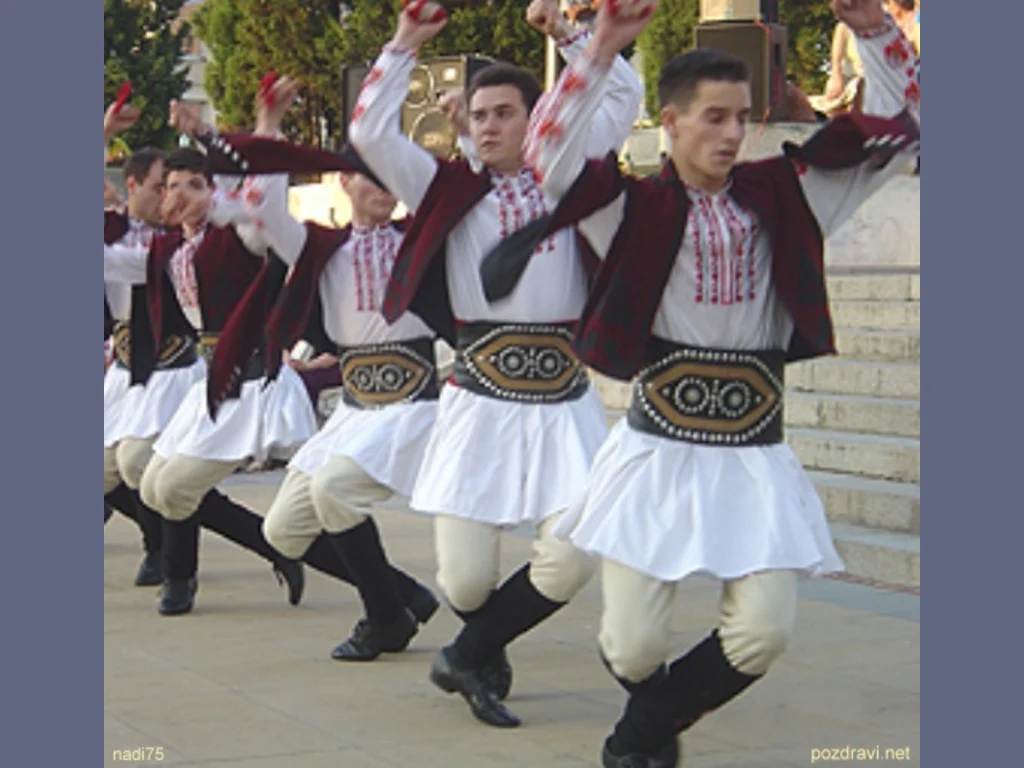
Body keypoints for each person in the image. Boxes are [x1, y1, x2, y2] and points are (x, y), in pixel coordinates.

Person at [523, 0, 920, 765]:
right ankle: (649, 721)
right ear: (671, 123)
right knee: (632, 646)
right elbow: (549, 156)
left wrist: (874, 29)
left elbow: (901, 128)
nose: (733, 133)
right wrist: (597, 48)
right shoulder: (627, 207)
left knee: (763, 631)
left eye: (741, 116)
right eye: (714, 117)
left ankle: (640, 736)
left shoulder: (789, 192)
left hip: (753, 454)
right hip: (657, 452)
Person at [347, 0, 642, 727]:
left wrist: (573, 36)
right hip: (477, 400)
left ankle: (470, 652)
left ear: (537, 118)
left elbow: (622, 95)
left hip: (563, 402)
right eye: (478, 115)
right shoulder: (443, 186)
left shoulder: (573, 178)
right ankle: (482, 645)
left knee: (572, 556)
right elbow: (369, 133)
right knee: (463, 580)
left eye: (505, 113)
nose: (487, 126)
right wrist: (404, 42)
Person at [192, 75, 442, 661]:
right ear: (344, 182)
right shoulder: (324, 249)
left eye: (391, 176)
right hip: (355, 409)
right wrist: (270, 129)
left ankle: (385, 618)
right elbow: (263, 211)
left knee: (335, 491)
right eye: (370, 175)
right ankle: (401, 597)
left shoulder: (428, 239)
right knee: (282, 530)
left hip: (415, 406)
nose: (384, 187)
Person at [102, 99, 178, 586]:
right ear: (131, 185)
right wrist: (103, 135)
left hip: (172, 369)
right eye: (158, 187)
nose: (166, 197)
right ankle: (165, 542)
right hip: (124, 363)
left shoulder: (177, 236)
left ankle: (165, 555)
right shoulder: (112, 229)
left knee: (141, 465)